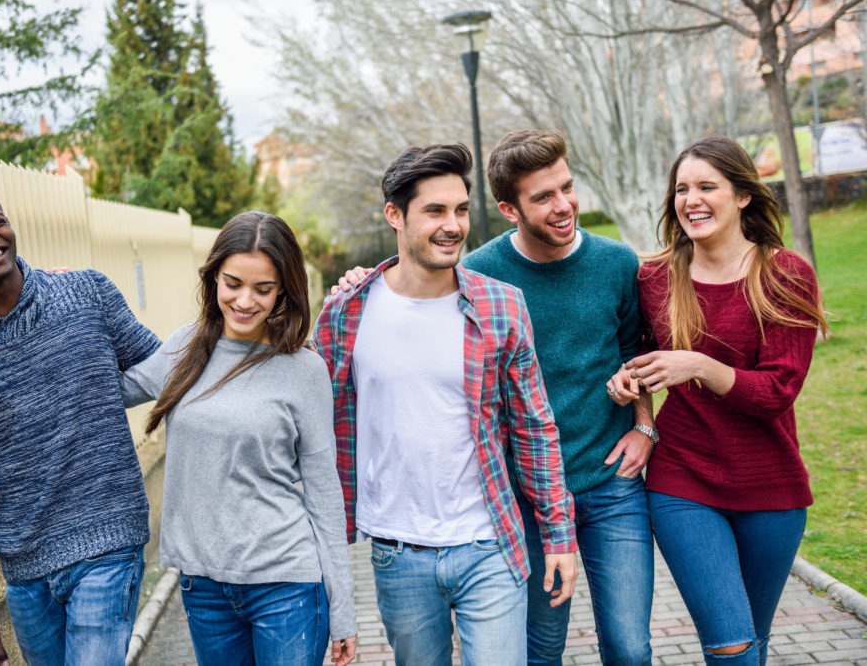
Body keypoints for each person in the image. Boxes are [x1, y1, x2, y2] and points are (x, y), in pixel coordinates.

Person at [334, 130, 656, 664]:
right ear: (509, 209)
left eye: (567, 188)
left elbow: (632, 353)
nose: (564, 205)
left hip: (604, 485)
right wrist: (361, 285)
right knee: (540, 650)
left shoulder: (611, 265)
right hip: (512, 502)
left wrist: (644, 425)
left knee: (630, 646)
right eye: (543, 197)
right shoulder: (470, 277)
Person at [314, 143, 578, 666]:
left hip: (490, 544)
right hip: (397, 550)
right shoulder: (346, 311)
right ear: (395, 215)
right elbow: (317, 432)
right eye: (435, 211)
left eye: (460, 210)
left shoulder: (501, 304)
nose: (453, 225)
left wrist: (558, 535)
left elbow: (534, 428)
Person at [0, 183, 161, 666]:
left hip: (109, 537)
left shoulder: (85, 292)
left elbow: (167, 369)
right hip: (24, 567)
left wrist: (271, 334)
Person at [607, 136, 829, 665]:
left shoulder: (784, 273)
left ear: (743, 196)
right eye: (682, 189)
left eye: (708, 186)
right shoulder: (655, 276)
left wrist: (699, 366)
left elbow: (777, 391)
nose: (692, 200)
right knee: (729, 642)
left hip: (770, 487)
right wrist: (630, 382)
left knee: (753, 638)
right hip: (683, 483)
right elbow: (637, 350)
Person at [120, 211, 358, 666]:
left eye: (263, 289)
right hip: (204, 587)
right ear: (213, 279)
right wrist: (63, 302)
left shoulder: (303, 369)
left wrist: (343, 608)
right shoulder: (184, 348)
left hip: (286, 584)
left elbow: (326, 494)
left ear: (284, 289)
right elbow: (103, 391)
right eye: (232, 283)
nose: (245, 300)